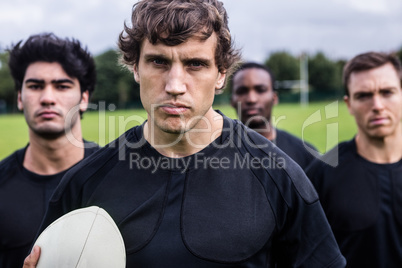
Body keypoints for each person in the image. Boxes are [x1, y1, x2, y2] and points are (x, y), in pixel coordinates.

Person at [24, 1, 345, 267]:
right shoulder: (85, 183)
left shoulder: (280, 178)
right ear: (135, 67)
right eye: (158, 62)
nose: (175, 85)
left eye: (195, 64)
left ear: (221, 74)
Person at [0, 33, 99, 268]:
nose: (47, 98)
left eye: (62, 86)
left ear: (84, 98)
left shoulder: (117, 177)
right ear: (20, 98)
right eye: (35, 86)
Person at [306, 52, 402, 267]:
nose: (377, 105)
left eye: (387, 92)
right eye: (364, 95)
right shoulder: (322, 173)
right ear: (349, 104)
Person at [230, 62, 317, 170]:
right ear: (232, 101)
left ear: (274, 98)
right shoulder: (214, 156)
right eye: (242, 91)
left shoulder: (305, 154)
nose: (251, 99)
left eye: (260, 90)